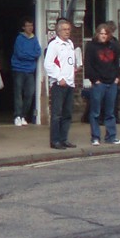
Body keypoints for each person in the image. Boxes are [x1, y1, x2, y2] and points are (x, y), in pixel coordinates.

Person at [43, 18, 80, 149]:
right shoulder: (54, 45)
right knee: (57, 114)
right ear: (58, 31)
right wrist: (59, 77)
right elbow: (48, 64)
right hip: (59, 85)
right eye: (64, 29)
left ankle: (64, 139)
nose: (67, 32)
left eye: (68, 29)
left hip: (70, 84)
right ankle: (55, 141)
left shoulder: (70, 44)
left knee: (67, 114)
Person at [85, 22, 120, 145]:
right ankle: (95, 137)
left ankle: (111, 136)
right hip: (99, 83)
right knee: (95, 112)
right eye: (101, 33)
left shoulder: (113, 46)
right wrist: (94, 79)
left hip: (112, 82)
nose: (103, 36)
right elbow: (88, 64)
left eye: (105, 34)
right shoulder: (91, 47)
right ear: (97, 34)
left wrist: (117, 77)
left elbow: (117, 63)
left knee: (110, 112)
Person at [10, 19, 41, 126]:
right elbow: (19, 54)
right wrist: (31, 56)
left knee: (30, 93)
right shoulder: (19, 38)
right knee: (18, 94)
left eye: (31, 25)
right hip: (18, 69)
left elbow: (38, 52)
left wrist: (28, 55)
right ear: (23, 27)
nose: (30, 27)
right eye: (28, 25)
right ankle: (17, 116)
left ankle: (23, 115)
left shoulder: (34, 38)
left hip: (30, 70)